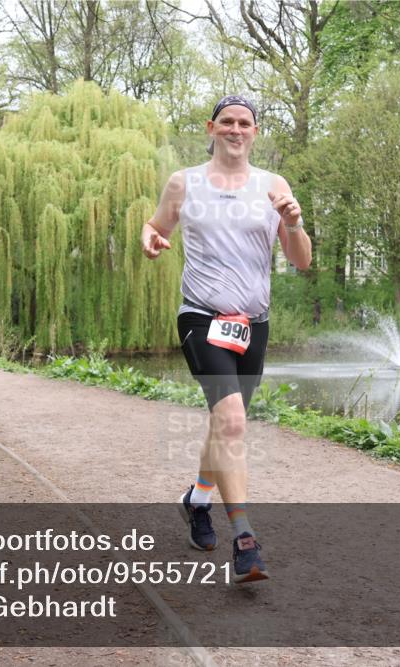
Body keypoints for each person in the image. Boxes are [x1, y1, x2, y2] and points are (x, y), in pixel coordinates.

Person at [141, 94, 312, 583]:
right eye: (227, 122)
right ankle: (244, 538)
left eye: (245, 123)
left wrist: (295, 223)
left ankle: (196, 500)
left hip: (253, 323)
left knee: (224, 425)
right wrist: (149, 239)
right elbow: (156, 226)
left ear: (255, 132)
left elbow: (300, 261)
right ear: (211, 128)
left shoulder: (273, 186)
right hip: (201, 318)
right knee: (234, 421)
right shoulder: (184, 183)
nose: (236, 129)